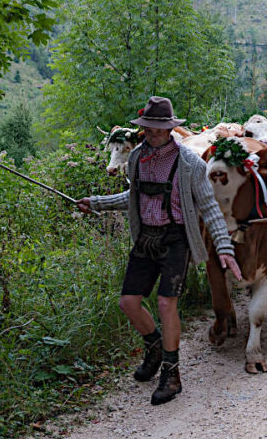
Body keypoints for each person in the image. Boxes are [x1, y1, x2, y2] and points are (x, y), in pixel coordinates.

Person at [77, 96, 242, 406]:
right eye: (148, 128)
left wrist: (223, 247)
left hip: (176, 240)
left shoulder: (191, 164)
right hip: (146, 239)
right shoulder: (138, 157)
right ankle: (153, 346)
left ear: (170, 129)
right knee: (128, 302)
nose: (153, 133)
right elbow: (133, 196)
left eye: (159, 128)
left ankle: (171, 372)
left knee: (167, 303)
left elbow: (208, 207)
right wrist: (96, 203)